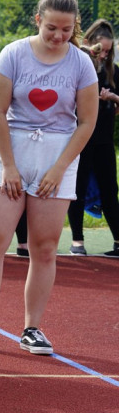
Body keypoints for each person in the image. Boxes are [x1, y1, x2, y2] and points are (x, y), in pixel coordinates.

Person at [0, 0, 98, 355]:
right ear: (37, 20)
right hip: (12, 148)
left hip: (58, 154)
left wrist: (60, 168)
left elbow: (87, 122)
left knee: (44, 247)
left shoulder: (81, 62)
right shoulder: (13, 53)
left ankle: (32, 328)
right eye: (52, 28)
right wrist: (8, 165)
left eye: (67, 30)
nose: (59, 37)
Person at [67, 19, 119, 257]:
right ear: (88, 45)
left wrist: (113, 98)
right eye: (100, 50)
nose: (103, 55)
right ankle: (77, 241)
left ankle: (118, 240)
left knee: (110, 190)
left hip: (104, 142)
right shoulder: (78, 67)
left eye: (108, 51)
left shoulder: (114, 71)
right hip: (80, 139)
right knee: (76, 189)